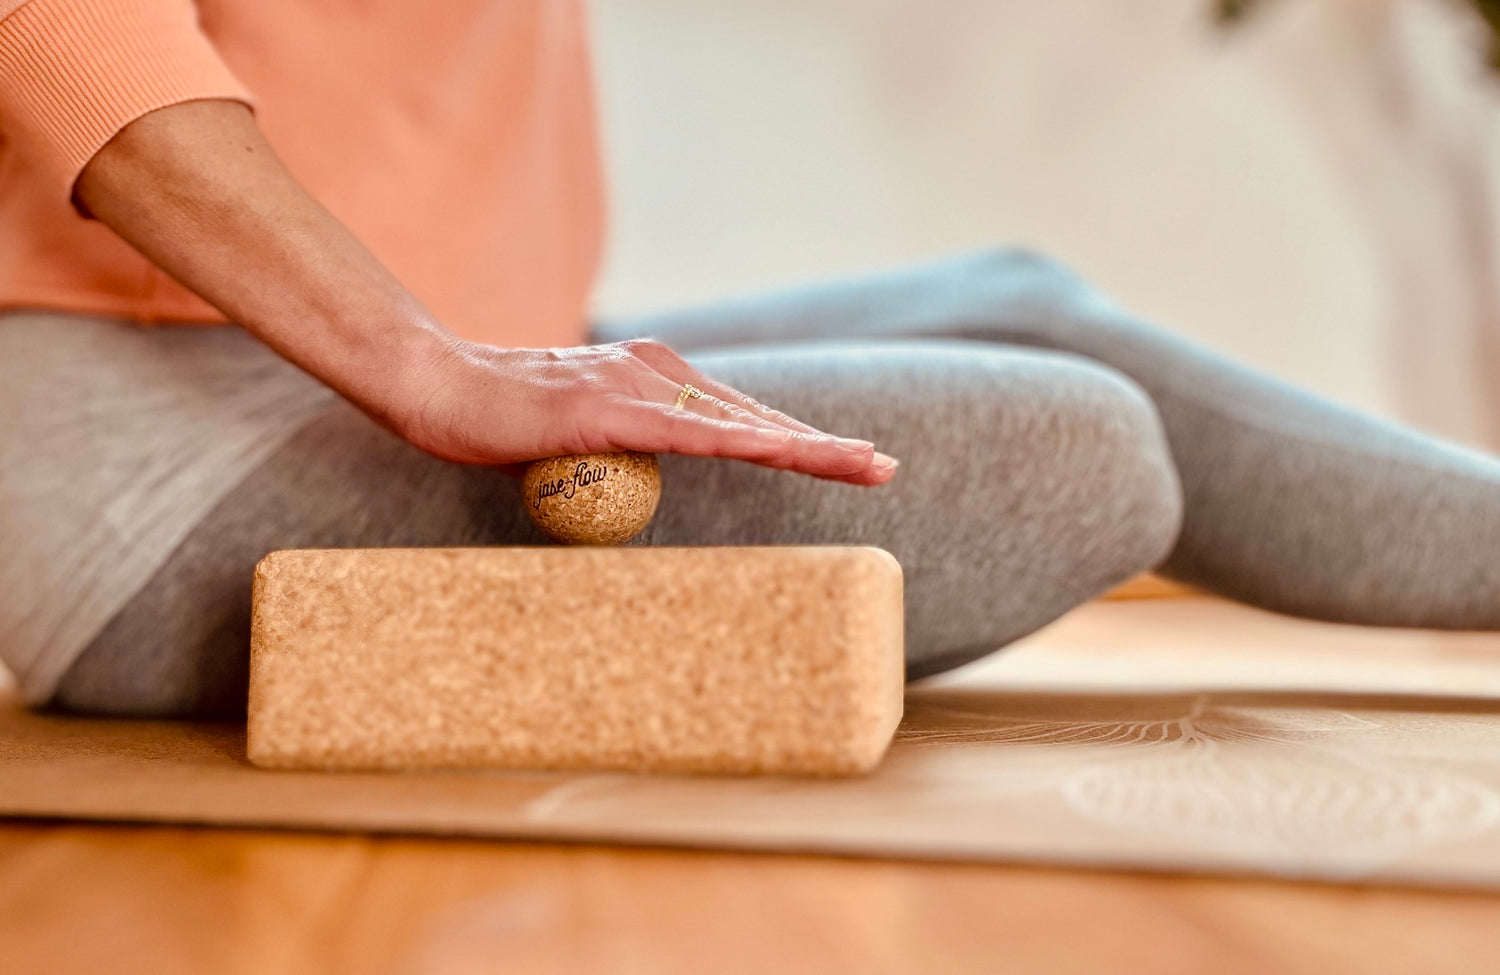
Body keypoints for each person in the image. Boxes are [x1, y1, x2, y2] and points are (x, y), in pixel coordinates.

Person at [1, 0, 1497, 718]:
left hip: (453, 334)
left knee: (1019, 306)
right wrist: (432, 368)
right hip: (142, 447)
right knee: (1080, 455)